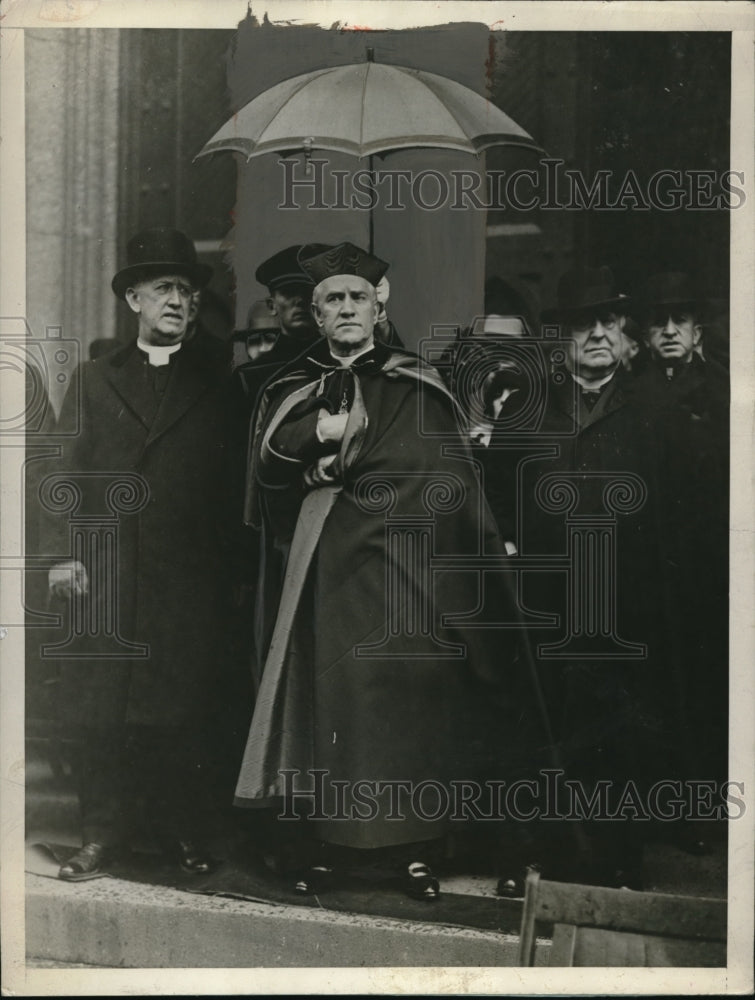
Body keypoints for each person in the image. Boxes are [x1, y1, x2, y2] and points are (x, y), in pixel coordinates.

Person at [234, 242, 544, 899]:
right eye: (331, 301)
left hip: (407, 575)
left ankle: (412, 852)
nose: (345, 309)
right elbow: (264, 476)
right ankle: (329, 849)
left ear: (381, 307)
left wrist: (349, 470)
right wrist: (317, 436)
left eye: (356, 298)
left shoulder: (415, 381)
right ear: (315, 317)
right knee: (327, 706)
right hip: (325, 575)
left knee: (405, 713)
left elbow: (441, 480)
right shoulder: (292, 385)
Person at [483, 265, 687, 890]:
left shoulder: (654, 407)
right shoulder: (527, 404)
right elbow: (496, 496)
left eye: (608, 322)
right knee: (538, 725)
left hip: (625, 602)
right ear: (560, 337)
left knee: (618, 730)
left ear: (622, 332)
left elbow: (678, 510)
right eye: (583, 325)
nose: (598, 334)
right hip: (546, 597)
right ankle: (532, 858)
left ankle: (618, 859)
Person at [45, 228, 238, 880]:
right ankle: (99, 836)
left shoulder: (218, 380)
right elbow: (65, 476)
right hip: (107, 575)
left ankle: (182, 833)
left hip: (188, 579)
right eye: (162, 289)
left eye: (185, 289)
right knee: (100, 713)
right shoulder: (96, 379)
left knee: (180, 714)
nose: (177, 300)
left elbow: (235, 485)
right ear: (133, 298)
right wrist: (63, 556)